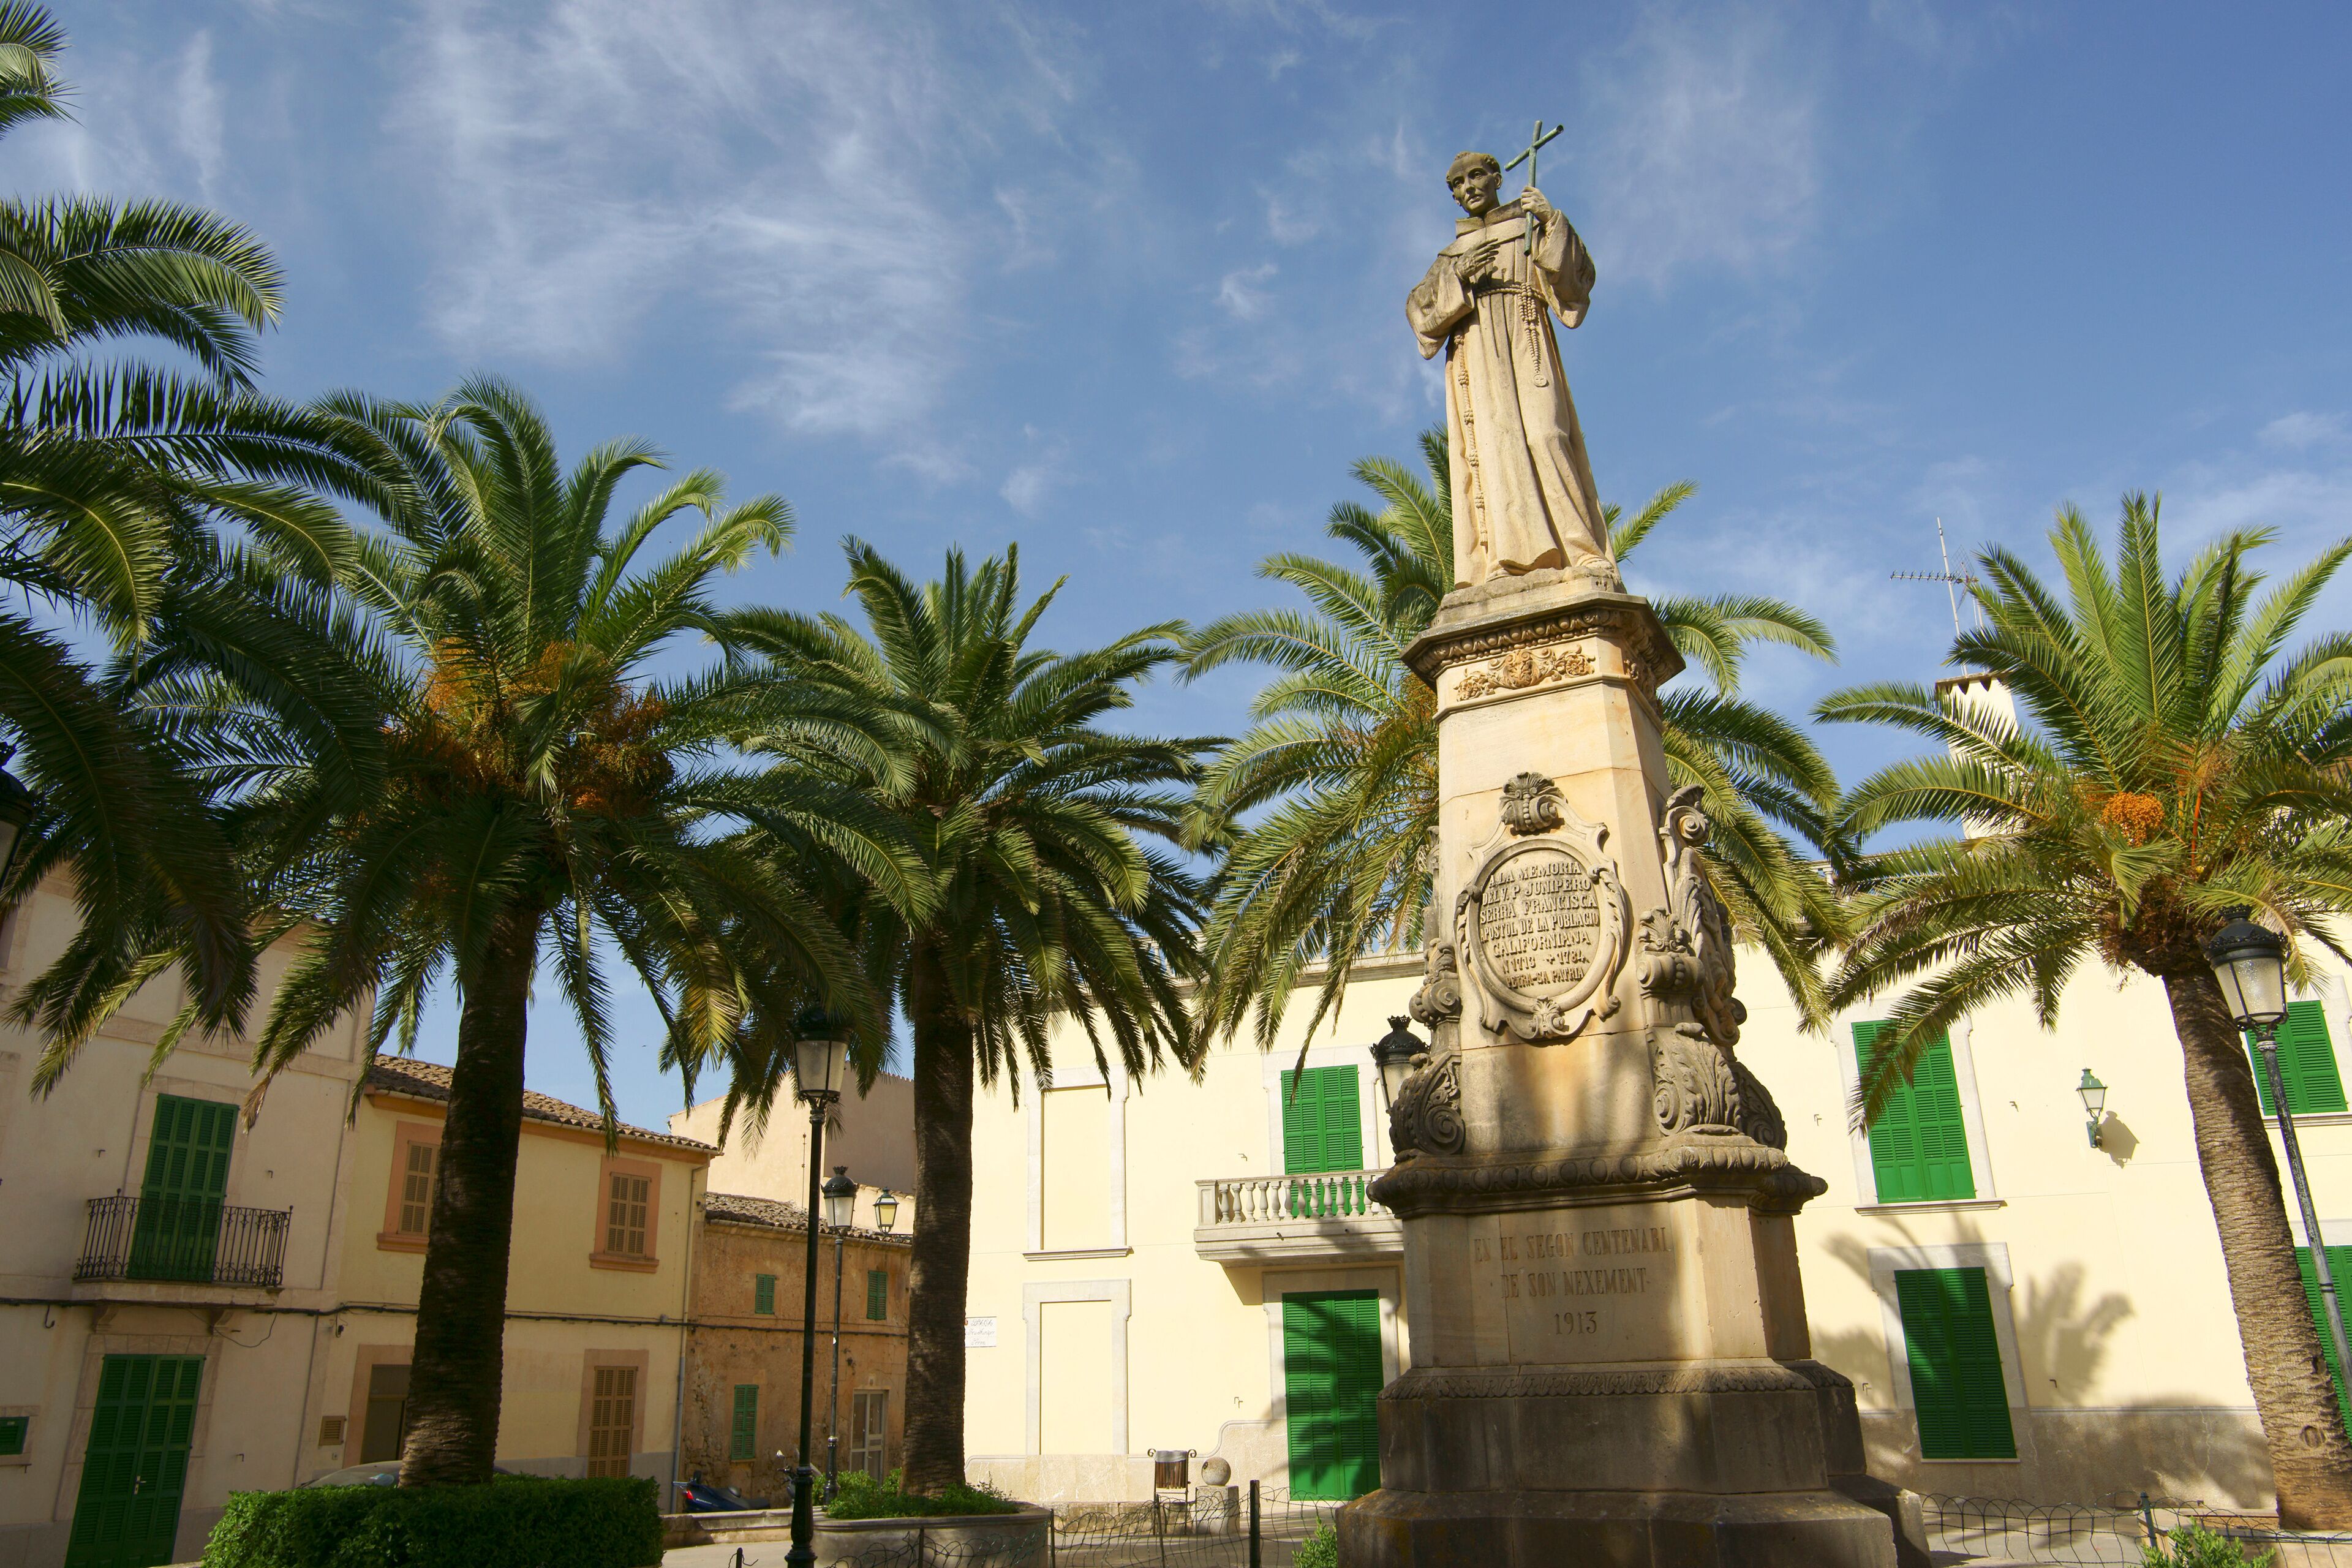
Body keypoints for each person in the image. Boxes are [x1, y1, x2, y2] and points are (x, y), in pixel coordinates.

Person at [1406, 150, 1613, 591]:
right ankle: (1505, 560)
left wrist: (1552, 223)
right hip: (1478, 357)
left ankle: (1582, 553)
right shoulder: (1450, 256)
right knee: (1495, 453)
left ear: (1497, 176)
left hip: (1526, 340)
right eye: (1457, 185)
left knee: (1547, 436)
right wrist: (1459, 279)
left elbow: (1576, 284)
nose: (1468, 189)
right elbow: (1420, 313)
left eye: (1476, 176)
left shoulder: (1527, 227)